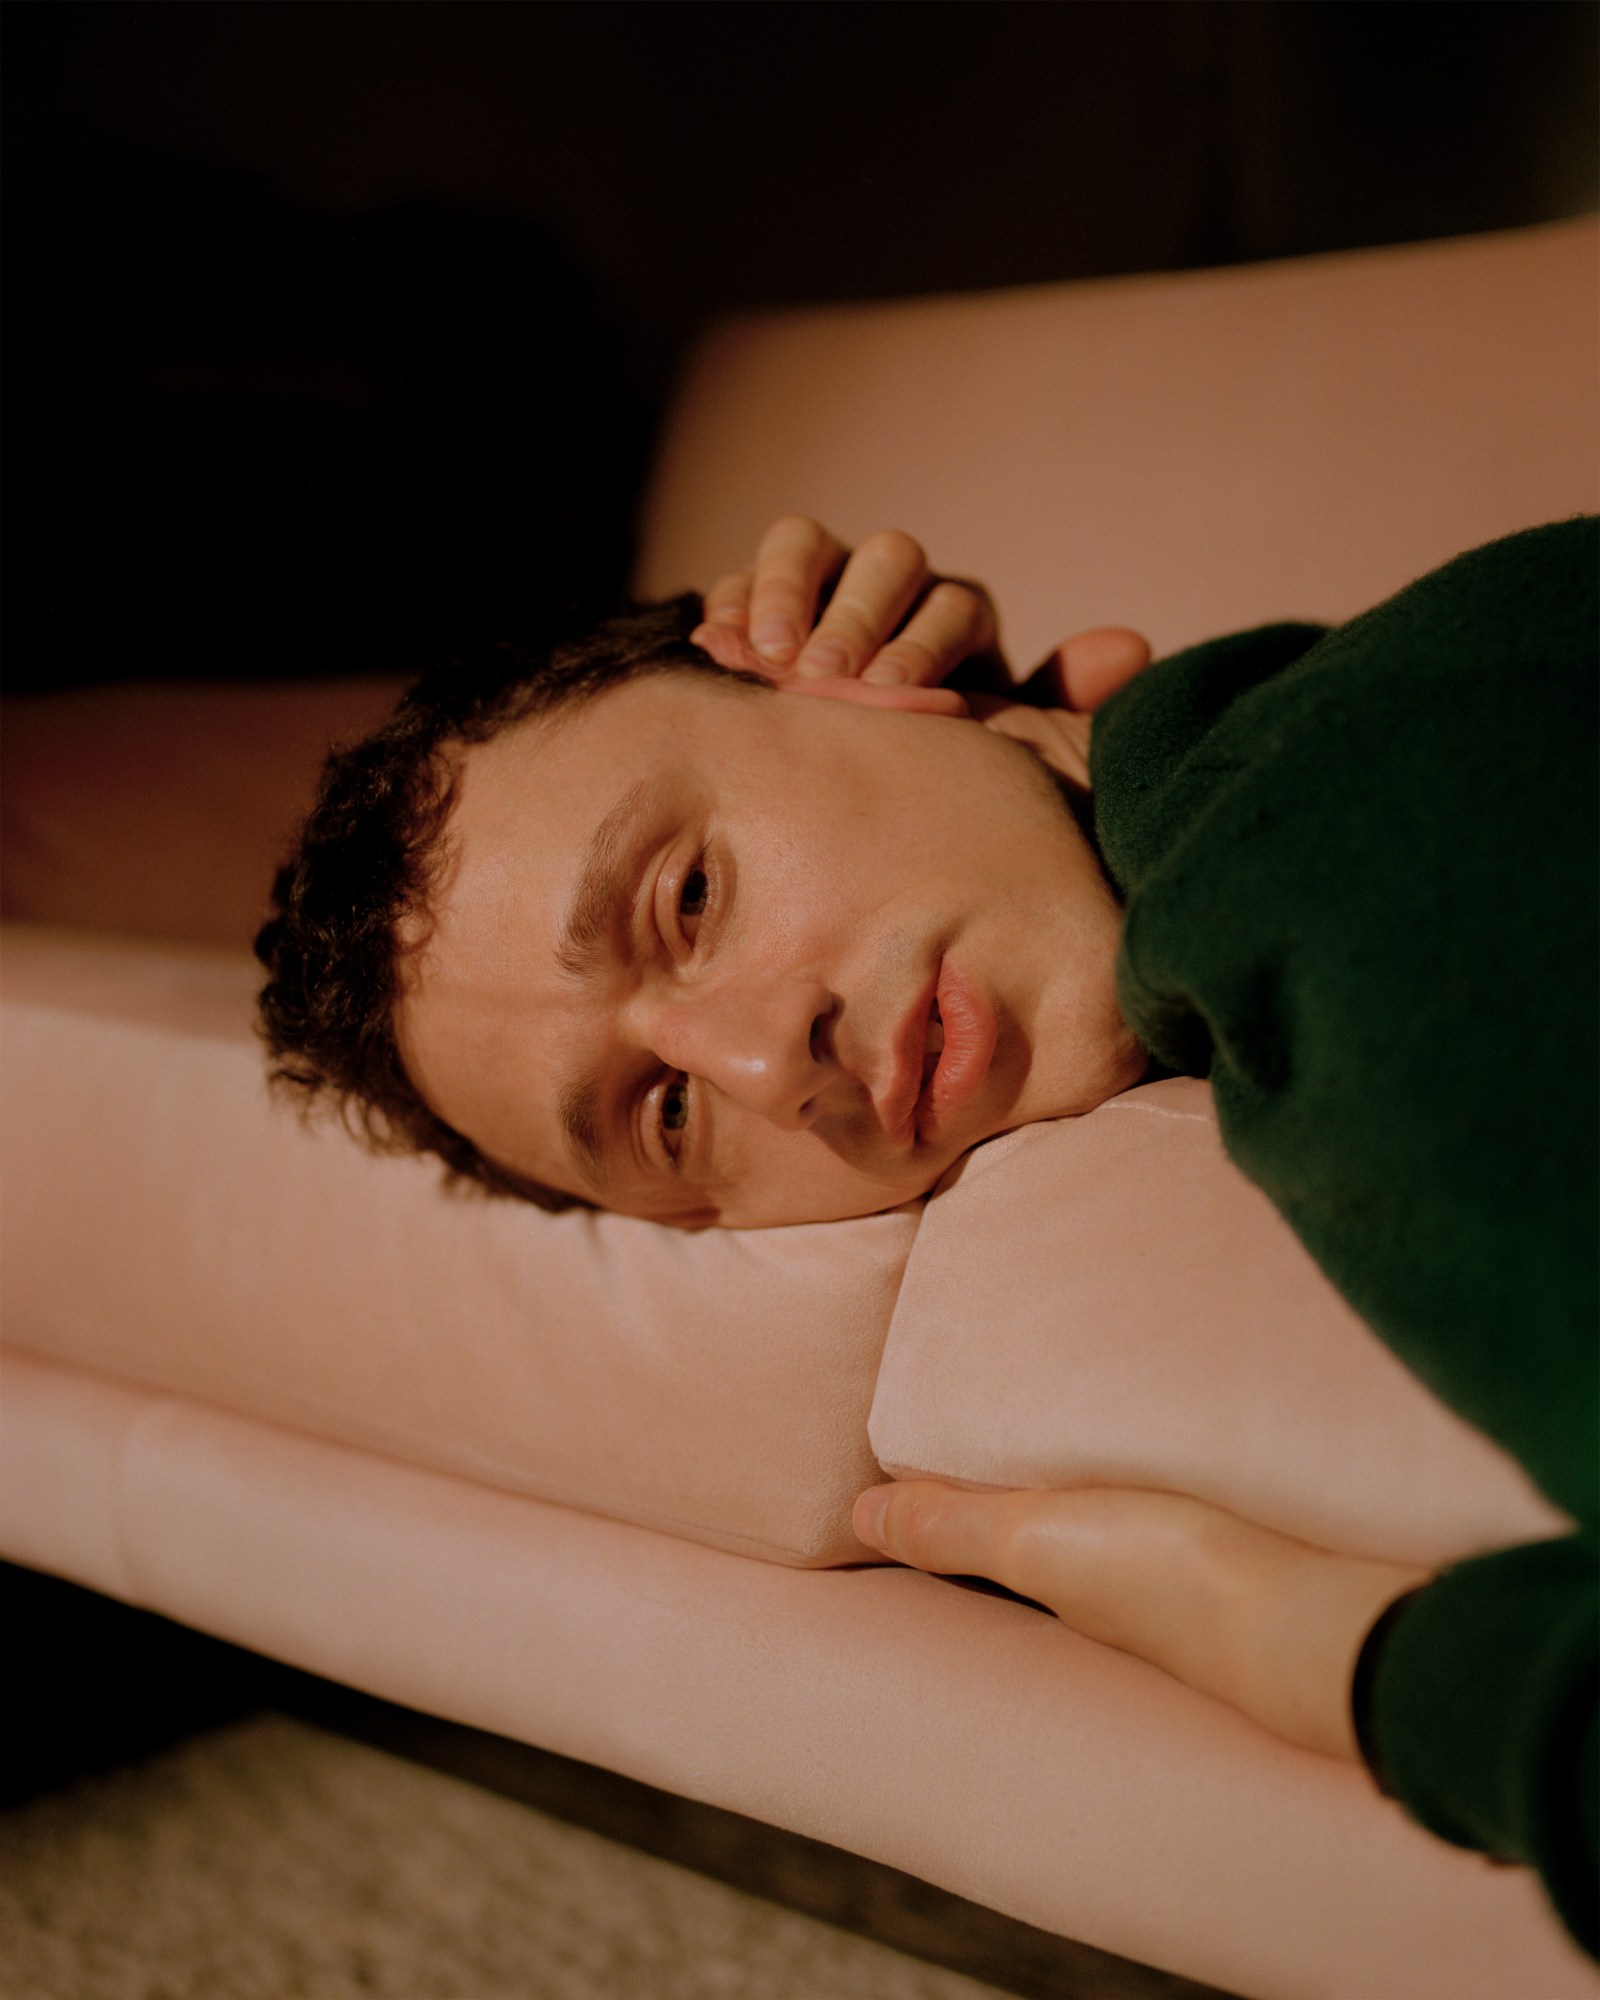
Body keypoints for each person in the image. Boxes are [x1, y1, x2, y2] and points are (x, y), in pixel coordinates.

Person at [256, 512, 1597, 1957]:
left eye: (692, 896)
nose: (772, 1067)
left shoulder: (1316, 860)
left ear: (854, 671)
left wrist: (1325, 1650)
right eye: (664, 1117)